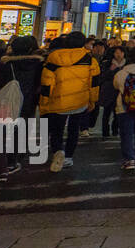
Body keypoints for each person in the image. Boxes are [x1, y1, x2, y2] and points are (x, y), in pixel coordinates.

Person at [39, 31, 99, 172]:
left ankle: (58, 151)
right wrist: (93, 101)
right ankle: (69, 157)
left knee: (57, 130)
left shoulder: (53, 58)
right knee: (73, 129)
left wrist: (44, 102)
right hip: (79, 100)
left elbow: (47, 83)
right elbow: (94, 84)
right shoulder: (90, 60)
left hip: (57, 100)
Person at [0, 35, 43, 181]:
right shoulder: (37, 64)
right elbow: (41, 84)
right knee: (21, 129)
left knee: (1, 132)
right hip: (28, 101)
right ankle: (13, 160)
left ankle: (1, 163)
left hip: (7, 100)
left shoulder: (5, 63)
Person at [97, 45, 125, 138]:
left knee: (118, 113)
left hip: (120, 92)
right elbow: (103, 77)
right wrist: (110, 70)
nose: (118, 55)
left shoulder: (127, 65)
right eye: (116, 52)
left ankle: (115, 130)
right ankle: (105, 132)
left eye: (120, 52)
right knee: (106, 113)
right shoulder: (107, 64)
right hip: (108, 91)